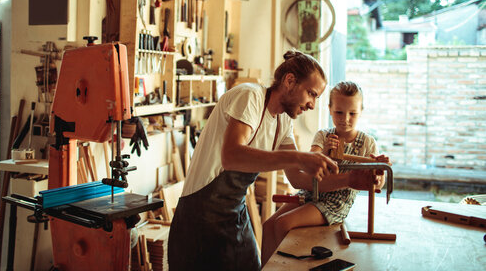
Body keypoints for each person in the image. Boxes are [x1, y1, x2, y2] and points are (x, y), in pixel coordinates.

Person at [168, 50, 339, 271]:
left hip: (234, 217)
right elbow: (231, 156)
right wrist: (300, 157)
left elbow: (297, 179)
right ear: (289, 81)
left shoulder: (282, 122)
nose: (312, 105)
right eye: (311, 94)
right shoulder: (250, 96)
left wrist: (352, 179)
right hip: (199, 220)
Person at [261, 81, 391, 266]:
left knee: (283, 224)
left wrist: (379, 172)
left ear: (361, 111)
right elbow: (309, 165)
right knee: (268, 226)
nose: (345, 119)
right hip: (311, 193)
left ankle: (285, 269)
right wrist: (324, 153)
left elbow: (377, 184)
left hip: (337, 202)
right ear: (330, 109)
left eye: (352, 113)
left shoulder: (367, 142)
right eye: (339, 112)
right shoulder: (324, 136)